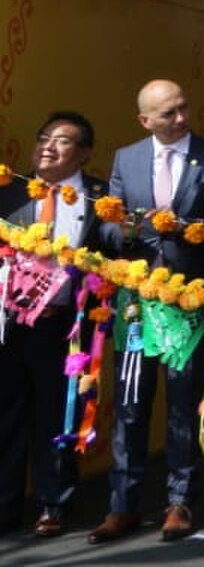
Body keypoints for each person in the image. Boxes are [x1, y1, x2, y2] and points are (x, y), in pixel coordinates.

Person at [91, 79, 204, 545]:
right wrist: (132, 232)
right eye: (168, 113)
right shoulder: (126, 158)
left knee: (183, 405)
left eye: (183, 109)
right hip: (137, 301)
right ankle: (123, 504)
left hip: (188, 298)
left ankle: (180, 501)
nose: (180, 119)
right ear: (145, 120)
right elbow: (108, 228)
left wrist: (172, 228)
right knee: (131, 404)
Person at [0, 112, 108, 538]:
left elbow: (116, 252)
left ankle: (53, 504)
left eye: (61, 141)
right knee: (5, 417)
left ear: (83, 153)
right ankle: (5, 507)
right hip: (10, 324)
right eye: (43, 137)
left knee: (59, 418)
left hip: (64, 327)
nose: (47, 146)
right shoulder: (9, 191)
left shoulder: (101, 200)